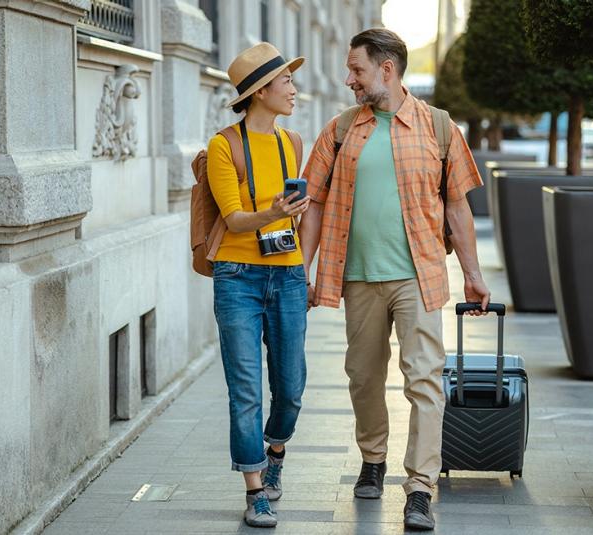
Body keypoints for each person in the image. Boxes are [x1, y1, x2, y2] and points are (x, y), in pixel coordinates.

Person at [298, 28, 490, 531]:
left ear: (387, 69)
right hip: (357, 277)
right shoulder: (340, 130)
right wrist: (303, 267)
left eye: (357, 70)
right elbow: (313, 203)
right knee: (363, 377)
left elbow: (457, 205)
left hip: (418, 276)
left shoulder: (439, 128)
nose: (349, 80)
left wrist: (473, 274)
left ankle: (420, 487)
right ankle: (373, 458)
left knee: (425, 380)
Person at [206, 42, 312, 528]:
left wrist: (296, 223)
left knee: (290, 387)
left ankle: (276, 452)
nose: (294, 89)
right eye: (286, 81)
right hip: (238, 277)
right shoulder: (223, 146)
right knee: (245, 388)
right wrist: (273, 211)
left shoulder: (292, 143)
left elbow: (295, 213)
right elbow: (233, 218)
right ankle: (255, 491)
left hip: (287, 274)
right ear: (261, 91)